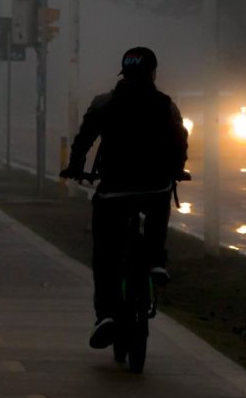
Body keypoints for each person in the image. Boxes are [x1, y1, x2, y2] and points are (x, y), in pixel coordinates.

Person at [59, 46, 189, 349]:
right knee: (159, 207)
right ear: (153, 73)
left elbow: (84, 139)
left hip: (114, 190)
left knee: (105, 255)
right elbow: (181, 139)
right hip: (155, 187)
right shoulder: (166, 105)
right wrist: (178, 169)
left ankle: (106, 315)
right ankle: (156, 260)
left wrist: (76, 168)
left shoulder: (103, 103)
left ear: (123, 73)